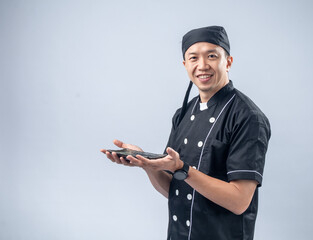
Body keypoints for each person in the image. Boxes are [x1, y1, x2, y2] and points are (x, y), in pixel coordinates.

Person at [101, 26, 271, 240]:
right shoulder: (183, 113)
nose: (202, 66)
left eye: (211, 56)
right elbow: (173, 190)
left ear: (228, 62)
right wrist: (147, 164)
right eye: (193, 58)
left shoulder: (248, 117)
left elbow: (239, 202)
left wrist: (182, 169)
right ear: (185, 65)